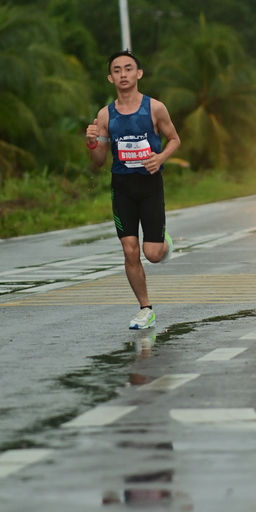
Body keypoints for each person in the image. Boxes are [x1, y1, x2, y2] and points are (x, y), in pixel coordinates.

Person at [85, 50, 181, 330]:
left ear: (138, 74)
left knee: (152, 254)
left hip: (150, 185)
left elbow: (174, 139)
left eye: (128, 68)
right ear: (110, 78)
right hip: (122, 187)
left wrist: (160, 158)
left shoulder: (155, 108)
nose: (123, 74)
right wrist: (92, 143)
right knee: (129, 250)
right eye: (117, 70)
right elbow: (99, 161)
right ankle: (145, 309)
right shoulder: (105, 115)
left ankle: (164, 243)